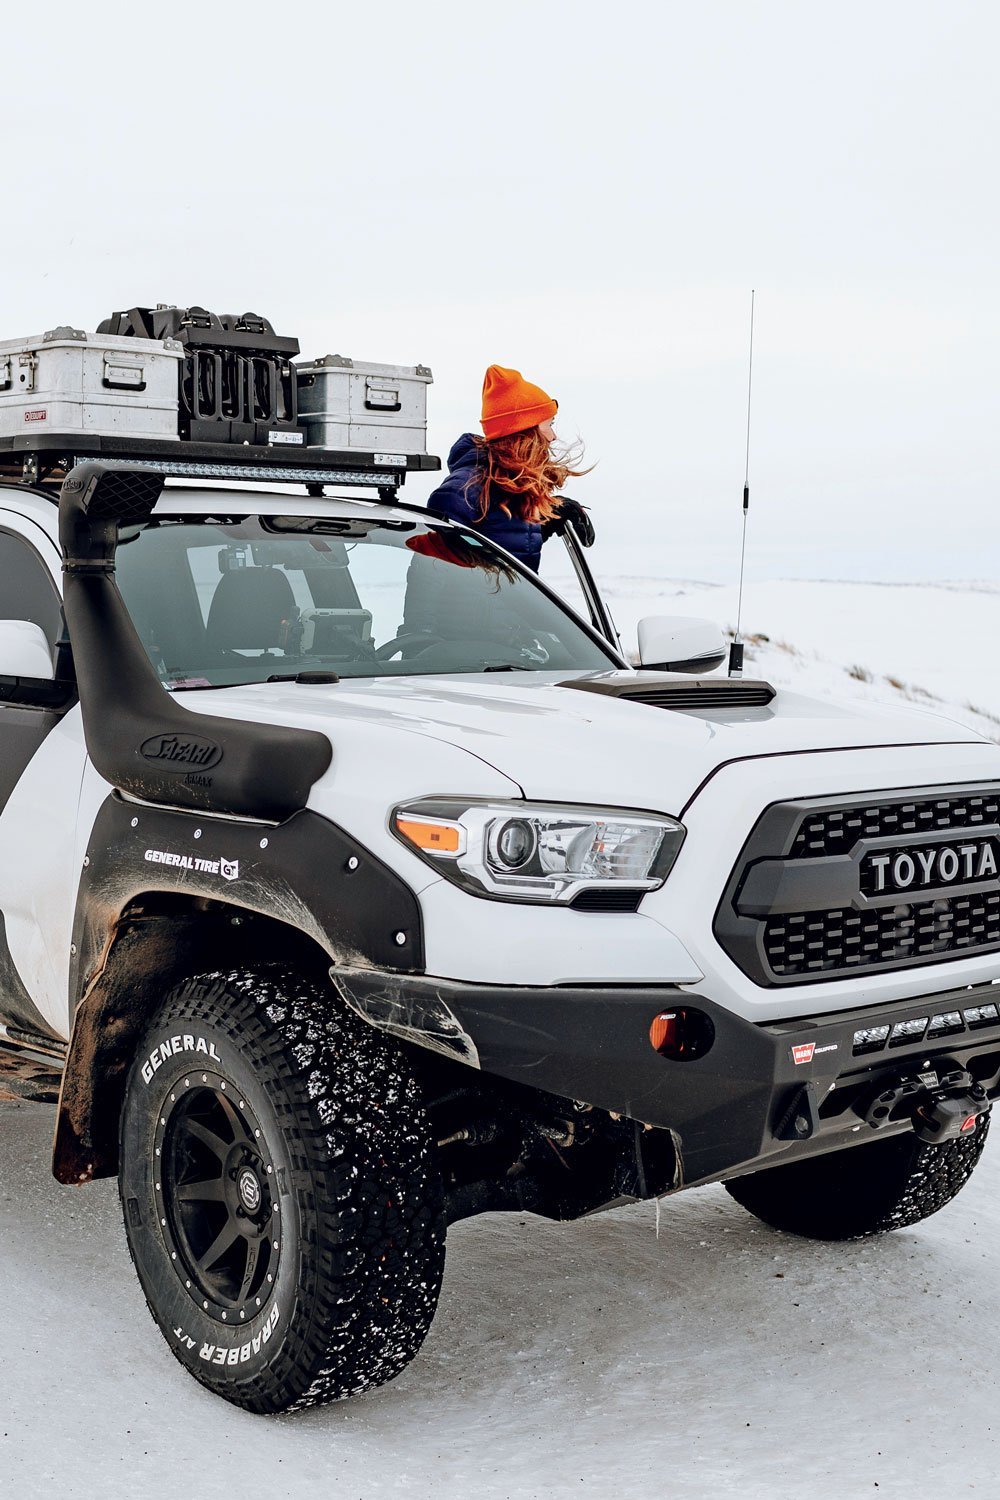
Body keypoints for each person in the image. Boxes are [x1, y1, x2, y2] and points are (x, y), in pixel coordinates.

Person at [426, 364, 595, 573]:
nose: (553, 437)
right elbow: (450, 572)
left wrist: (546, 519)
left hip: (501, 605)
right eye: (549, 425)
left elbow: (501, 545)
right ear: (525, 432)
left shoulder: (506, 490)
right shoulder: (464, 490)